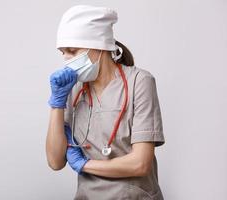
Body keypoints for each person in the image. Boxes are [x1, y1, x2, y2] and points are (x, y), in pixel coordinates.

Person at [46, 5, 165, 200]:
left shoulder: (140, 82)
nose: (66, 60)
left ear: (99, 46)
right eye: (63, 53)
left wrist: (85, 165)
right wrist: (56, 104)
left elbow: (140, 163)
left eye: (72, 51)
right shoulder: (73, 89)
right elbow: (55, 161)